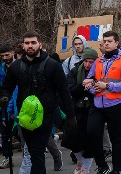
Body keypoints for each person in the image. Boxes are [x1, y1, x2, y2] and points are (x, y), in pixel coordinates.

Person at [0, 31, 76, 174]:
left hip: (45, 117)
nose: (30, 46)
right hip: (24, 117)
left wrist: (70, 115)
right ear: (23, 45)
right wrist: (4, 100)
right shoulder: (16, 67)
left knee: (36, 152)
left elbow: (64, 91)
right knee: (35, 154)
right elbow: (6, 89)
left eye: (33, 42)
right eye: (27, 43)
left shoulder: (53, 66)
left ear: (40, 44)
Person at [83, 31, 121, 174]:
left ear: (116, 43)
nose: (106, 44)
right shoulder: (98, 61)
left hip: (117, 104)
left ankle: (116, 170)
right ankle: (102, 165)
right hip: (98, 103)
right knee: (92, 133)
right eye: (104, 41)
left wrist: (107, 86)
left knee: (116, 139)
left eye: (109, 41)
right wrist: (90, 86)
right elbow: (91, 80)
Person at [64, 47, 98, 174]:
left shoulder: (99, 72)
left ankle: (86, 168)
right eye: (86, 61)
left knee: (90, 139)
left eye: (91, 62)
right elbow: (71, 89)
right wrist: (84, 84)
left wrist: (93, 84)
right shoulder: (74, 71)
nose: (88, 64)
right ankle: (80, 161)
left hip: (93, 109)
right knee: (72, 138)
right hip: (77, 109)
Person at [0, 44, 16, 169]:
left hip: (18, 104)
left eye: (7, 55)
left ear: (13, 53)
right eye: (2, 56)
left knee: (20, 132)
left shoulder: (20, 66)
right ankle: (7, 157)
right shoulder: (2, 69)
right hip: (4, 105)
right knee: (5, 133)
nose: (5, 58)